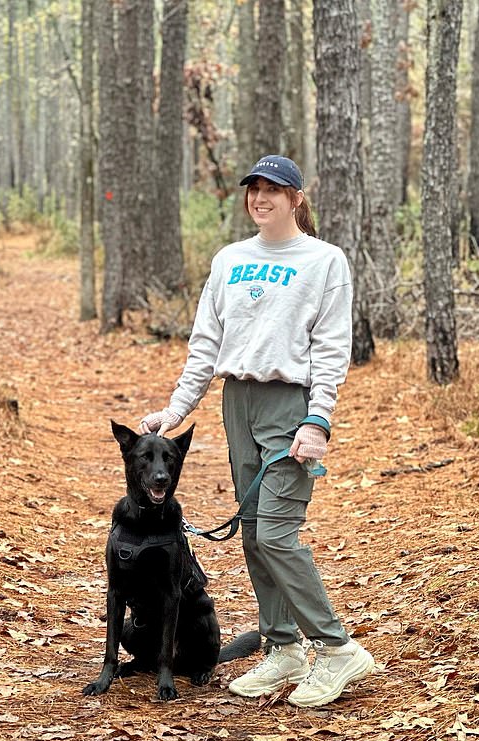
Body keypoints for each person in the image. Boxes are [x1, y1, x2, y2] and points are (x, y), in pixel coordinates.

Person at [139, 155, 374, 707]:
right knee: (251, 534)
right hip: (236, 403)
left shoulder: (324, 261)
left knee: (275, 533)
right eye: (254, 189)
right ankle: (283, 647)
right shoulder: (229, 260)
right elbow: (205, 347)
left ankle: (337, 649)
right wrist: (173, 412)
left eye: (274, 190)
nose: (260, 198)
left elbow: (333, 349)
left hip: (288, 405)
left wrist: (318, 420)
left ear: (296, 198)